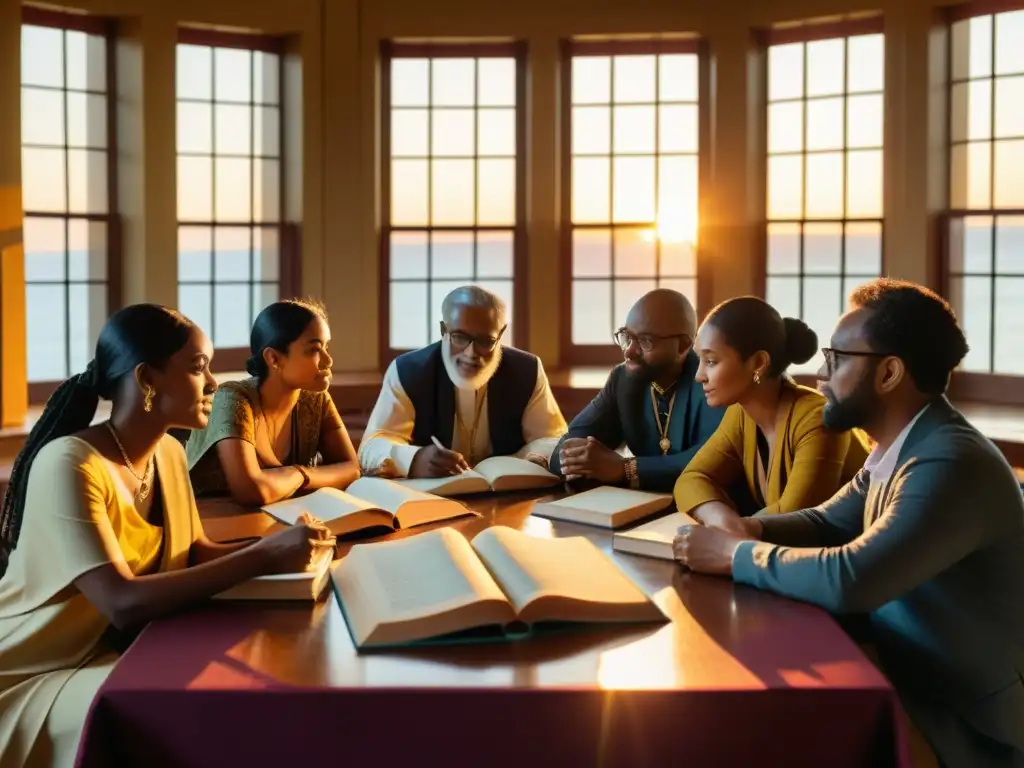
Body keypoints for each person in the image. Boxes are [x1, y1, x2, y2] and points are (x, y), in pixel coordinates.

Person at [673, 279, 1024, 767]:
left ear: (889, 374)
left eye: (837, 360)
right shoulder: (896, 445)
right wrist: (750, 529)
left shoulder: (950, 461)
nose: (820, 374)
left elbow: (852, 578)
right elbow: (826, 521)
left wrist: (734, 554)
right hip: (901, 673)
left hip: (960, 724)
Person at [0, 304, 333, 767]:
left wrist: (289, 552)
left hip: (118, 649)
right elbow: (121, 601)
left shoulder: (168, 455)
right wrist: (265, 556)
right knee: (174, 711)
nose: (215, 384)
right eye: (199, 368)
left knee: (250, 685)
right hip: (34, 669)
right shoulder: (70, 463)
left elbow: (195, 553)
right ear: (146, 379)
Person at [673, 296, 869, 523]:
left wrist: (730, 530)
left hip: (860, 553)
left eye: (712, 361)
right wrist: (721, 519)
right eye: (700, 360)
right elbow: (691, 480)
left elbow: (795, 519)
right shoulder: (740, 414)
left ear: (758, 363)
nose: (699, 376)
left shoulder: (815, 419)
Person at [358, 286, 567, 478]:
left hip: (509, 497)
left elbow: (552, 439)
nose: (471, 353)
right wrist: (413, 459)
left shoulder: (527, 369)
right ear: (443, 330)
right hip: (430, 500)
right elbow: (373, 445)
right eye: (459, 337)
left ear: (501, 334)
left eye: (486, 341)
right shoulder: (408, 370)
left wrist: (534, 459)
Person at [186, 299, 361, 505]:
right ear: (274, 359)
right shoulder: (233, 399)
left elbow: (351, 468)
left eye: (326, 347)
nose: (328, 360)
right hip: (209, 521)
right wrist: (302, 476)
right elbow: (251, 490)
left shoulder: (316, 400)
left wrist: (299, 474)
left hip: (283, 516)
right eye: (314, 350)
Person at [549, 288, 725, 493]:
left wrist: (625, 469)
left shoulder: (710, 381)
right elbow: (565, 449)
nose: (629, 351)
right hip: (637, 510)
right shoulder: (622, 380)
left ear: (682, 346)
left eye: (645, 341)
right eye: (627, 337)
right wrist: (580, 459)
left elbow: (712, 461)